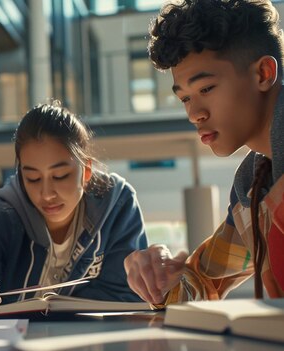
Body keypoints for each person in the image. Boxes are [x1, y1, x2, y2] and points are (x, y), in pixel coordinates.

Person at [123, 0, 284, 305]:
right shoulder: (253, 183)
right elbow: (201, 282)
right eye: (185, 98)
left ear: (264, 73)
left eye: (206, 89)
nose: (194, 113)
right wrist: (158, 277)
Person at [0, 103, 148, 312]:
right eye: (32, 178)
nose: (47, 194)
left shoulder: (117, 204)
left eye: (60, 176)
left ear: (86, 171)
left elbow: (128, 297)